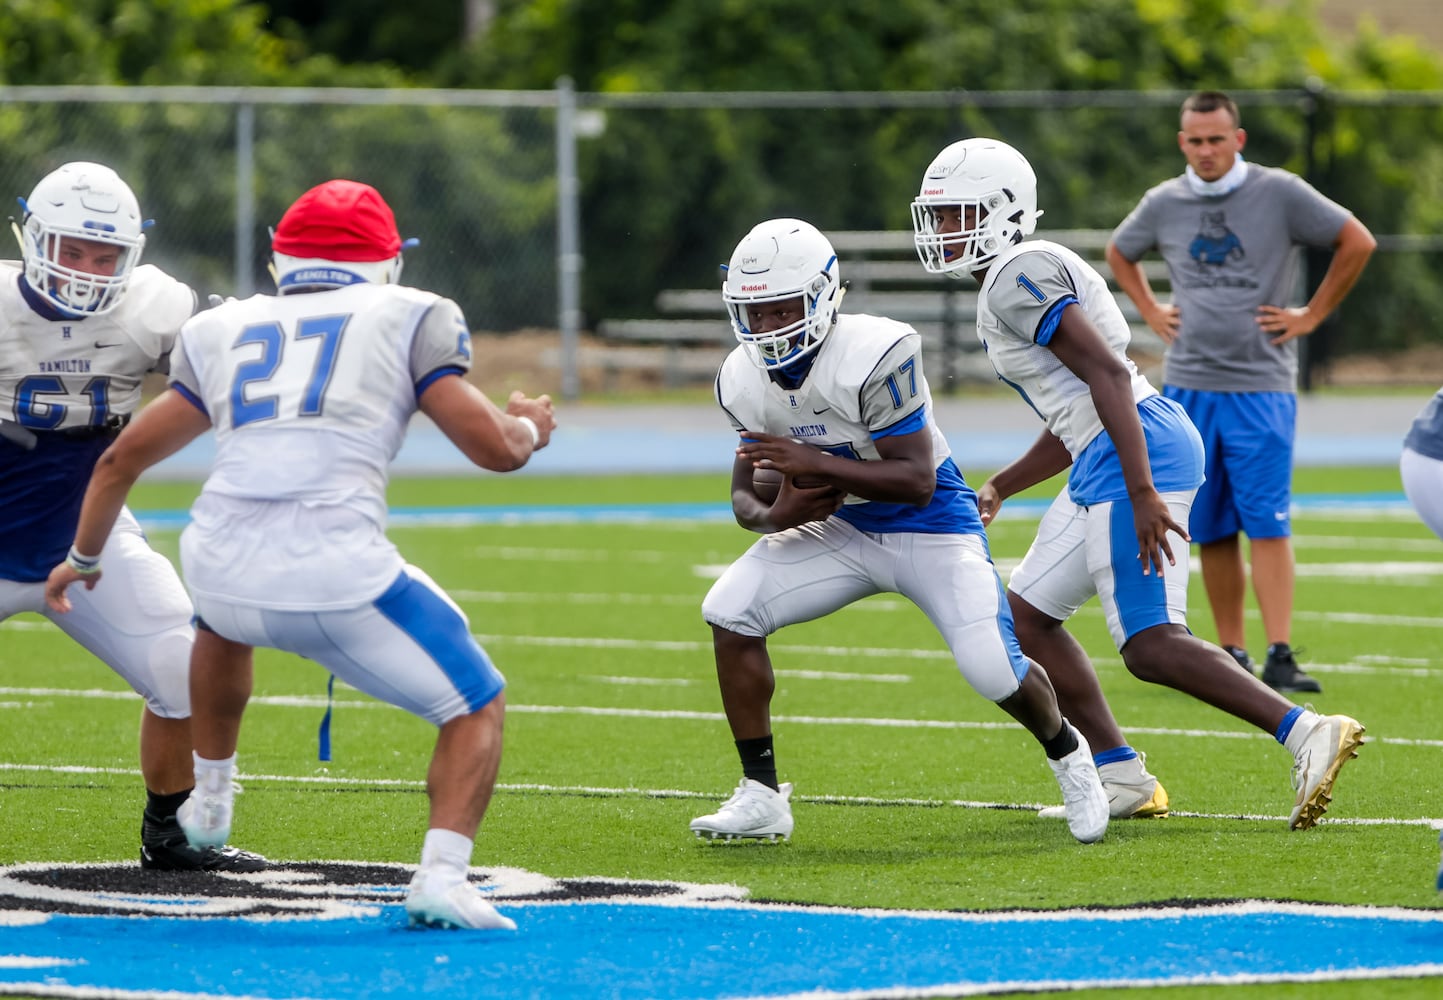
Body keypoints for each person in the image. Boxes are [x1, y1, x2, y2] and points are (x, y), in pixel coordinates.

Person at [45, 178, 555, 931]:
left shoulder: (224, 328)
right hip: (336, 570)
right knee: (476, 704)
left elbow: (120, 461)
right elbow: (495, 451)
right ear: (389, 262)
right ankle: (442, 877)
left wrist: (85, 559)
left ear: (283, 257)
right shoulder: (411, 315)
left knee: (219, 625)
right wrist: (531, 426)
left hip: (215, 560)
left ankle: (210, 800)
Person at [910, 137, 1366, 831]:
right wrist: (1005, 481)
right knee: (1027, 616)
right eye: (938, 217)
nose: (943, 231)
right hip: (1112, 446)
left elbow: (1105, 378)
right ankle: (1118, 771)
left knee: (1150, 643)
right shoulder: (1015, 274)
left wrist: (1144, 488)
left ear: (1003, 212)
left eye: (957, 214)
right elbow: (1080, 405)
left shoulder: (1013, 274)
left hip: (1136, 447)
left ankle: (1304, 729)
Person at [689, 217, 1110, 847]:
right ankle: (760, 794)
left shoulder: (874, 353)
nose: (770, 327)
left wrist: (816, 465)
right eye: (755, 313)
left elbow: (916, 479)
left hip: (932, 525)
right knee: (729, 610)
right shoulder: (742, 378)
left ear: (823, 296)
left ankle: (1070, 755)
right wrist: (778, 517)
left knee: (994, 671)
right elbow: (746, 498)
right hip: (843, 527)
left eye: (781, 309)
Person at [0, 161, 265, 873]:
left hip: (82, 538)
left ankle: (172, 834)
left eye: (104, 254)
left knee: (182, 667)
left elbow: (238, 354)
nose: (87, 270)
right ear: (33, 241)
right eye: (71, 251)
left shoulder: (152, 308)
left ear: (132, 255)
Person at [1105, 90, 1377, 693]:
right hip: (1190, 386)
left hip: (1261, 387)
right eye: (1195, 141)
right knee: (1215, 525)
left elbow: (1357, 240)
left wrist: (1310, 316)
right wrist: (1148, 308)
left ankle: (1280, 650)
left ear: (1238, 139)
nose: (1206, 150)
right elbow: (1120, 253)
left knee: (1269, 522)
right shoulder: (1164, 201)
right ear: (1183, 143)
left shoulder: (1279, 192)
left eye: (1216, 139)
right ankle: (1232, 650)